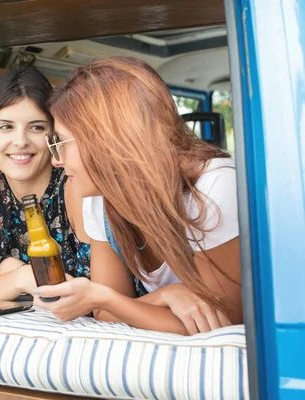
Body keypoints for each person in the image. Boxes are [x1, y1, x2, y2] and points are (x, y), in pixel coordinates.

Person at [35, 57, 241, 335]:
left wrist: (108, 299)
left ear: (107, 139)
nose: (56, 160)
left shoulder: (214, 187)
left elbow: (221, 325)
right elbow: (106, 315)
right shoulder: (99, 198)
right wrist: (164, 296)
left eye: (61, 143)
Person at [0, 66, 94, 300]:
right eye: (6, 127)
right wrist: (19, 277)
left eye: (36, 127)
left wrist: (7, 271)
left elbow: (92, 294)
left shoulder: (73, 184)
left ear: (55, 135)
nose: (20, 141)